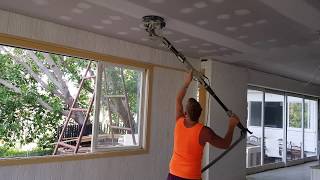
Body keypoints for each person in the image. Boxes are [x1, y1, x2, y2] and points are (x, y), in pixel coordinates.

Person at [167, 71, 240, 180]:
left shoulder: (179, 121)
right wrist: (231, 126)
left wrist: (187, 82)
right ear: (199, 115)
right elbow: (225, 144)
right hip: (189, 176)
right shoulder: (204, 131)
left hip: (173, 173)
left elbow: (178, 99)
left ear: (185, 113)